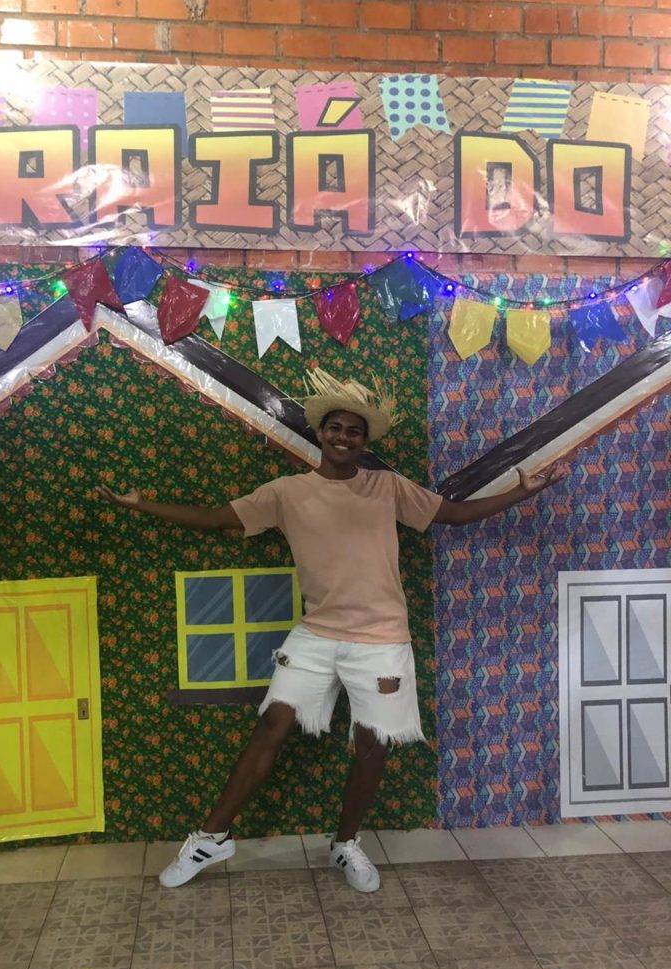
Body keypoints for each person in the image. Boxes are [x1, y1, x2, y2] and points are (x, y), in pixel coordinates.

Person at [96, 368, 565, 893]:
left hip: (382, 638)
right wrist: (142, 505)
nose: (344, 437)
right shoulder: (285, 492)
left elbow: (453, 515)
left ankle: (345, 844)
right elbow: (215, 518)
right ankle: (211, 837)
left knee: (373, 744)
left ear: (365, 442)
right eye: (336, 428)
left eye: (354, 432)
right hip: (315, 635)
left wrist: (520, 493)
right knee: (272, 726)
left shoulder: (387, 486)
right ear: (321, 433)